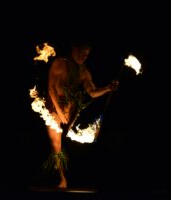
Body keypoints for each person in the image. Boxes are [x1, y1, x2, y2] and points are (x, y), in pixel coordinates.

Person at [43, 41, 119, 188]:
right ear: (74, 48)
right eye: (81, 53)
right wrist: (59, 112)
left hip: (70, 110)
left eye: (86, 55)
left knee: (69, 143)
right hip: (53, 108)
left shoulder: (83, 71)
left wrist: (108, 88)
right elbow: (51, 89)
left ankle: (61, 175)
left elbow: (92, 92)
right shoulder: (60, 63)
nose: (83, 57)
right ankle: (61, 179)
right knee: (56, 143)